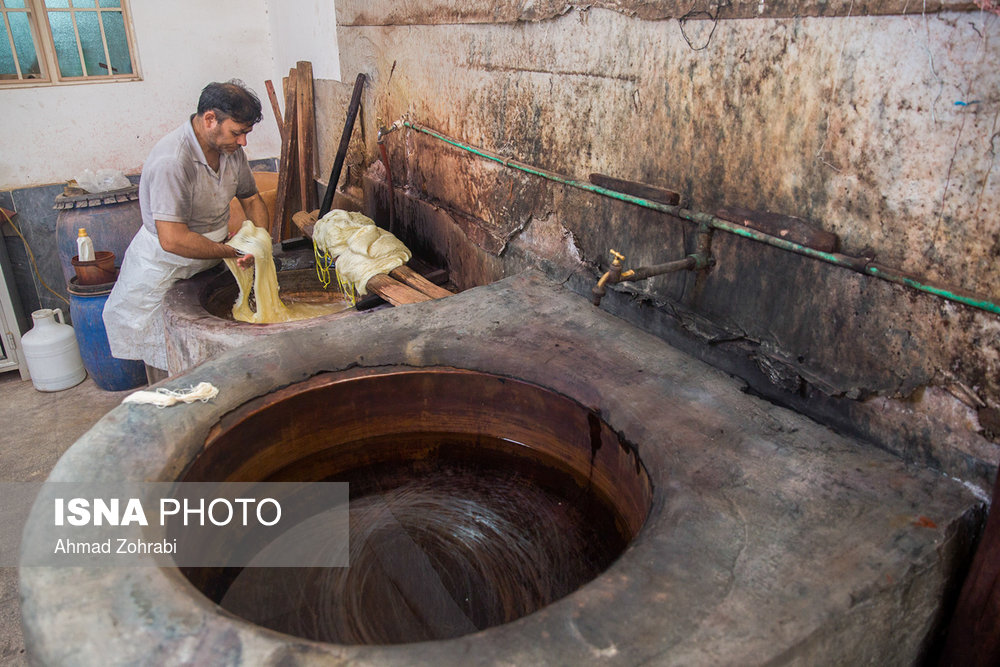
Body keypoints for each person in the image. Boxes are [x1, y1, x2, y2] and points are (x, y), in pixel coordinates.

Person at [103, 80, 269, 382]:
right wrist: (233, 252)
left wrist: (259, 243)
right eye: (237, 132)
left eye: (246, 133)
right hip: (164, 270)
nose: (243, 142)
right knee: (171, 371)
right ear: (209, 120)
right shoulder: (172, 160)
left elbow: (252, 198)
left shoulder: (230, 151)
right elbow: (173, 239)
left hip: (206, 262)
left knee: (206, 368)